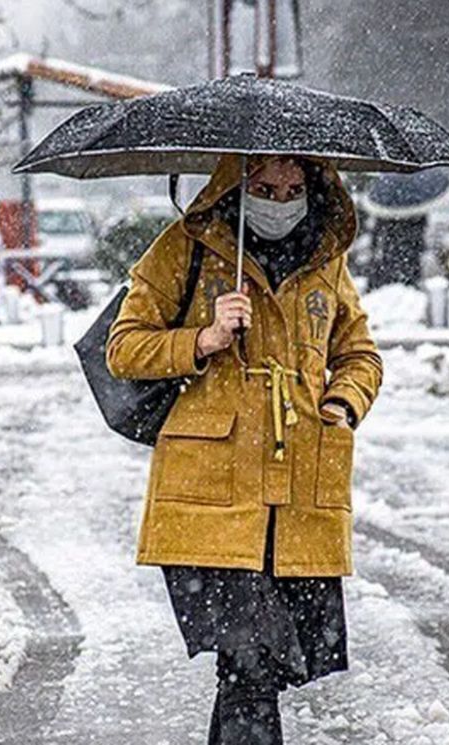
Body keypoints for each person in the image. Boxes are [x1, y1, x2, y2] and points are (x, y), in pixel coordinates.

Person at [105, 153, 383, 744]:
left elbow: (360, 355)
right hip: (210, 500)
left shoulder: (325, 262)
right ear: (236, 185)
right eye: (263, 187)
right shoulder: (188, 248)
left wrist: (340, 405)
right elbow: (123, 348)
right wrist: (203, 338)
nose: (279, 202)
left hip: (298, 500)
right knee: (252, 662)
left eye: (291, 189)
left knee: (252, 672)